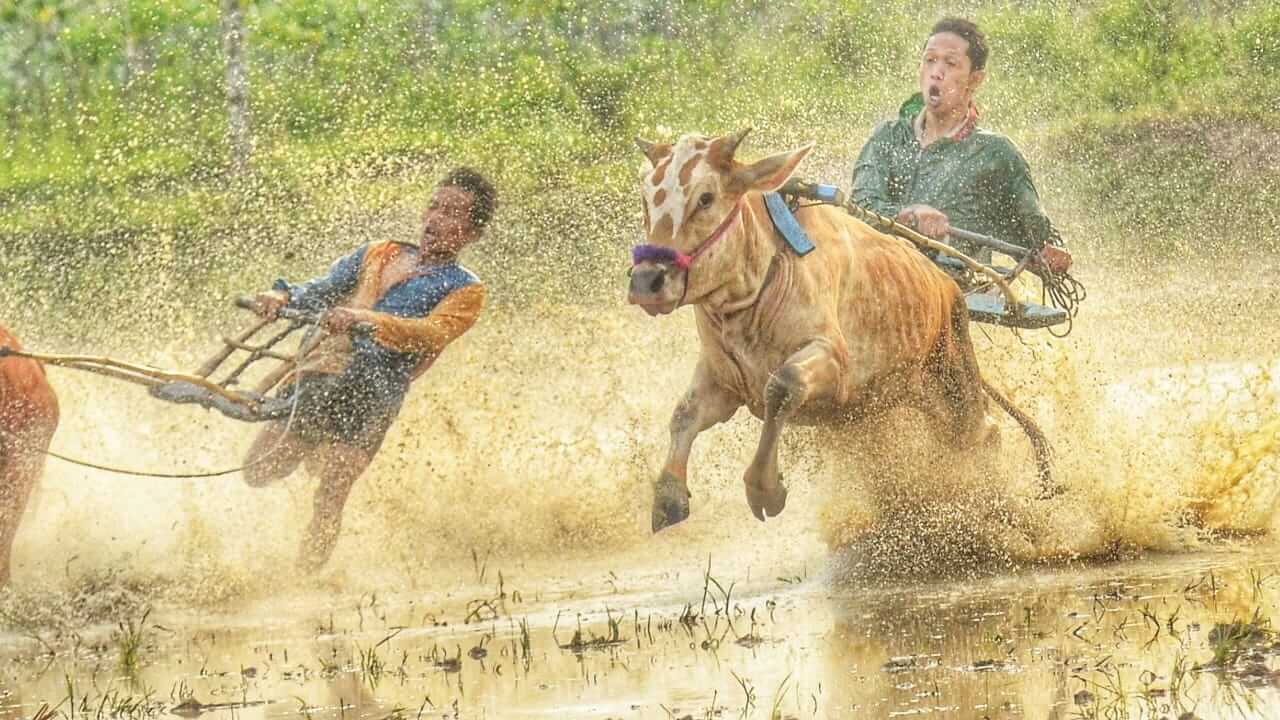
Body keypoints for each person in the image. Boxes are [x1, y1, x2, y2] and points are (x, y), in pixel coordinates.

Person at [243, 167, 496, 572]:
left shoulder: (465, 289)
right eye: (434, 206)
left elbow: (433, 334)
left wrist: (368, 321)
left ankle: (301, 586)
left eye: (452, 213)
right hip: (320, 373)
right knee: (257, 471)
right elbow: (319, 289)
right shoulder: (379, 253)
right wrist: (281, 294)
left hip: (373, 394)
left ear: (472, 233)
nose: (435, 219)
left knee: (330, 496)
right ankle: (313, 453)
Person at [851, 17, 1064, 264]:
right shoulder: (888, 137)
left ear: (975, 79)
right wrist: (907, 216)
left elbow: (1037, 237)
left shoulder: (996, 153)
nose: (936, 73)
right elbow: (859, 208)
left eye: (950, 64)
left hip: (958, 289)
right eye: (930, 60)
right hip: (881, 275)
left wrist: (1052, 254)